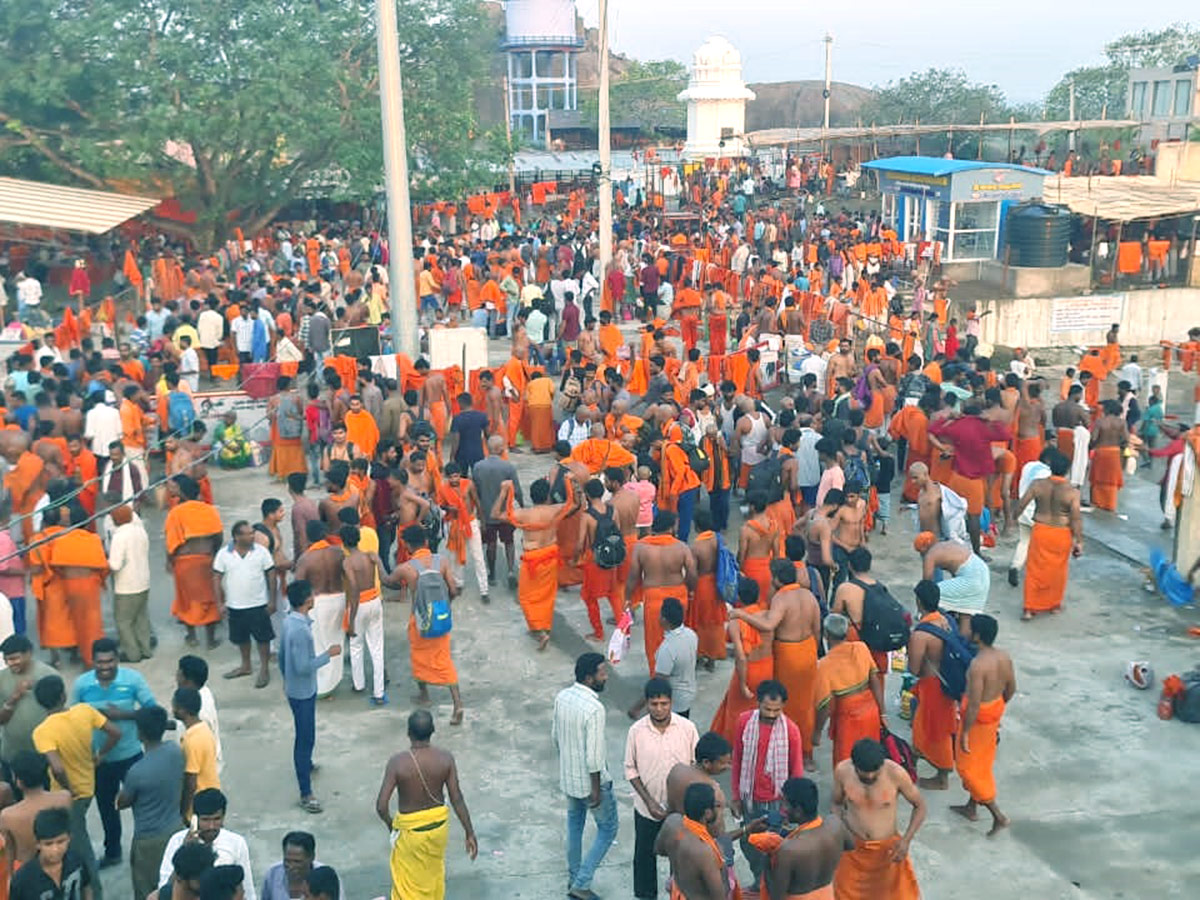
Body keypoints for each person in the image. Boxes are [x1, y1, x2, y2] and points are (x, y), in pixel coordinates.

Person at [70, 638, 158, 868]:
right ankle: (113, 853)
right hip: (100, 760)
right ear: (93, 661)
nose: (105, 666)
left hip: (131, 756)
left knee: (142, 806)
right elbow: (70, 718)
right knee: (107, 810)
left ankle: (146, 851)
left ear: (117, 659)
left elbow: (154, 711)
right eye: (100, 662)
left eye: (110, 661)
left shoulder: (133, 680)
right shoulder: (81, 685)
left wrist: (124, 715)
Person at [32, 674, 121, 898]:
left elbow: (57, 768)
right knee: (72, 841)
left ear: (40, 703)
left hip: (66, 795)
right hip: (87, 786)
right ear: (63, 696)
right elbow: (115, 732)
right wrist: (100, 755)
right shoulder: (84, 711)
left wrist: (67, 790)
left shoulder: (43, 731)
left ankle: (94, 893)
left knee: (79, 847)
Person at [729, 559, 821, 771]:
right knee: (806, 704)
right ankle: (807, 755)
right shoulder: (808, 595)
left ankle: (786, 749)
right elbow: (818, 628)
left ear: (777, 579)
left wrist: (740, 613)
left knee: (784, 703)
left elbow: (769, 624)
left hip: (787, 653)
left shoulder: (781, 597)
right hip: (808, 650)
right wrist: (814, 651)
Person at [375, 710, 477, 900]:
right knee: (432, 875)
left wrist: (392, 826)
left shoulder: (397, 763)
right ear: (432, 731)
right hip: (438, 830)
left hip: (410, 835)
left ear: (408, 733)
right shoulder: (445, 759)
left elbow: (381, 806)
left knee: (408, 886)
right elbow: (457, 798)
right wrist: (469, 832)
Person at [624, 677, 699, 899]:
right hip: (648, 810)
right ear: (647, 703)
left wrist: (682, 801)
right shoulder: (636, 731)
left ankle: (678, 894)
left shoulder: (687, 728)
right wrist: (649, 802)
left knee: (681, 857)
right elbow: (630, 769)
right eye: (654, 704)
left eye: (664, 704)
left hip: (681, 811)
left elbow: (696, 765)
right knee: (645, 856)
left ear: (671, 702)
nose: (659, 709)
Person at [552, 653, 617, 900]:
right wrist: (597, 790)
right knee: (608, 829)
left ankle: (574, 875)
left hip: (569, 779)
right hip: (591, 784)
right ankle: (582, 882)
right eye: (602, 673)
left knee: (574, 826)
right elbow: (595, 757)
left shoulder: (562, 697)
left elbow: (555, 737)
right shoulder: (594, 708)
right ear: (589, 678)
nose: (606, 676)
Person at [730, 680, 805, 887]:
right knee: (748, 843)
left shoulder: (791, 730)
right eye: (767, 709)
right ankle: (760, 880)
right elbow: (737, 759)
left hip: (777, 802)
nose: (771, 715)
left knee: (775, 847)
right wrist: (736, 796)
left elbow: (796, 771)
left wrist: (790, 808)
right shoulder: (744, 722)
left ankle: (772, 885)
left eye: (776, 710)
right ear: (758, 703)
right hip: (749, 798)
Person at [387, 526, 464, 724]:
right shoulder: (442, 562)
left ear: (407, 546)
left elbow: (388, 581)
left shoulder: (406, 568)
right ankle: (457, 705)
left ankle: (424, 695)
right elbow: (454, 591)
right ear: (427, 542)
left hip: (420, 621)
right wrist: (443, 608)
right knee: (444, 660)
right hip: (441, 618)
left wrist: (377, 563)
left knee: (419, 657)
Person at [831, 739, 925, 900]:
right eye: (864, 771)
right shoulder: (842, 771)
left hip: (887, 850)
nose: (870, 775)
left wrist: (906, 840)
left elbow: (920, 806)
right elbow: (836, 804)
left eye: (875, 770)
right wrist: (839, 829)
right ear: (854, 764)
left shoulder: (896, 774)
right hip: (852, 848)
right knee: (845, 894)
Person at [279, 581, 341, 814]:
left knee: (306, 734)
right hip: (302, 690)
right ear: (307, 601)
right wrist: (328, 655)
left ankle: (306, 765)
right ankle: (306, 792)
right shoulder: (300, 630)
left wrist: (286, 680)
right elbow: (304, 666)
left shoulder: (289, 622)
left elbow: (285, 659)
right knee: (305, 738)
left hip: (296, 688)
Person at [951, 614, 1016, 835]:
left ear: (977, 636)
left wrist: (966, 732)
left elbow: (974, 705)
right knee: (982, 762)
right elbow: (1011, 689)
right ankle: (971, 807)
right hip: (993, 712)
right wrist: (997, 707)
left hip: (977, 720)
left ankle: (998, 815)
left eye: (970, 629)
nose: (966, 632)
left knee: (967, 768)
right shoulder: (1004, 657)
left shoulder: (978, 666)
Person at [492, 478, 568, 651]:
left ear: (531, 496)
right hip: (550, 556)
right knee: (547, 595)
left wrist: (504, 491)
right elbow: (578, 504)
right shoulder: (556, 509)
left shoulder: (524, 514)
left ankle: (539, 631)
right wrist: (573, 485)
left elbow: (495, 514)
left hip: (533, 559)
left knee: (526, 598)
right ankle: (544, 626)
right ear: (548, 496)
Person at [117, 707, 184, 900]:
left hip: (148, 840)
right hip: (175, 828)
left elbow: (122, 803)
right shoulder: (175, 751)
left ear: (139, 733)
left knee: (147, 890)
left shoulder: (137, 771)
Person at [748, 777, 851, 900]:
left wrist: (768, 855)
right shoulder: (836, 824)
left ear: (798, 810)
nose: (782, 808)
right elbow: (850, 845)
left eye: (785, 803)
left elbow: (776, 895)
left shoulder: (788, 850)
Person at [1014, 450, 1081, 619]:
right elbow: (1076, 519)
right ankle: (1053, 605)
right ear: (1067, 470)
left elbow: (1021, 504)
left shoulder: (1038, 484)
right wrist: (1078, 541)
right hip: (1061, 534)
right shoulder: (1072, 492)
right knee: (1057, 571)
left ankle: (1029, 608)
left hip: (1041, 530)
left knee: (1035, 569)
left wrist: (1011, 520)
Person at [626, 512, 697, 672]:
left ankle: (657, 675)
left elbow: (633, 577)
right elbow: (692, 573)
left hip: (653, 597)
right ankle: (677, 672)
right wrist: (690, 590)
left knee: (655, 640)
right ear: (671, 527)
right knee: (678, 637)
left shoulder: (641, 547)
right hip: (678, 595)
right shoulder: (681, 547)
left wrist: (628, 599)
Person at [812, 614, 885, 769]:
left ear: (826, 635)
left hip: (848, 719)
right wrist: (882, 712)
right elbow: (875, 681)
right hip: (871, 712)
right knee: (870, 760)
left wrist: (817, 732)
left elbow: (824, 706)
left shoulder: (824, 665)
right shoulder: (861, 647)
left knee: (847, 764)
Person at [708, 577, 774, 747]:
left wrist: (744, 684)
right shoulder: (767, 616)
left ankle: (735, 748)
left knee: (735, 712)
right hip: (767, 668)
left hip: (748, 671)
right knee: (761, 710)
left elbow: (741, 656)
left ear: (739, 598)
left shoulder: (737, 622)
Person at [905, 580, 958, 791]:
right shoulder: (947, 620)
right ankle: (917, 756)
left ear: (919, 602)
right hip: (947, 681)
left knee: (938, 731)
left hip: (933, 686)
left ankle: (943, 776)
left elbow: (914, 669)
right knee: (925, 725)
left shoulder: (921, 634)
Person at [156, 789, 255, 900]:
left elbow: (247, 888)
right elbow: (165, 887)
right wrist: (186, 852)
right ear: (195, 818)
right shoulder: (177, 841)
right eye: (205, 820)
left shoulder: (236, 843)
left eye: (217, 819)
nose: (211, 826)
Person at [213, 521, 276, 688]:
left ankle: (264, 669)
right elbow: (217, 578)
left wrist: (272, 600)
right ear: (237, 536)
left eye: (252, 532)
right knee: (241, 638)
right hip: (235, 604)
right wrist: (219, 603)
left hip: (258, 603)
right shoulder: (223, 554)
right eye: (248, 533)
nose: (252, 535)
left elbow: (271, 574)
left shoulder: (261, 552)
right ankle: (246, 665)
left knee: (263, 638)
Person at [164, 475, 223, 649]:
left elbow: (171, 543)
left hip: (184, 562)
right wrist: (214, 555)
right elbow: (218, 536)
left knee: (186, 600)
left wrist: (169, 561)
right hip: (206, 558)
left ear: (181, 491)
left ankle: (191, 637)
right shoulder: (209, 510)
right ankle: (211, 640)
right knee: (210, 598)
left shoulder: (176, 513)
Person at [0, 751, 71, 872]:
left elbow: (10, 850)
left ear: (18, 781)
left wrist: (11, 876)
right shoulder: (64, 798)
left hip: (27, 869)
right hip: (61, 863)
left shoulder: (8, 816)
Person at [653, 784, 726, 900]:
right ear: (707, 813)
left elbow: (658, 849)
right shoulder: (705, 851)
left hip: (679, 890)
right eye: (715, 806)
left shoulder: (672, 821)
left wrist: (679, 856)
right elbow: (719, 896)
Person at [472, 435, 523, 588]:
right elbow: (518, 490)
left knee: (491, 543)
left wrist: (477, 511)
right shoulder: (508, 467)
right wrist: (522, 506)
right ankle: (510, 571)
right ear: (500, 449)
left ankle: (492, 574)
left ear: (487, 448)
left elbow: (475, 491)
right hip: (505, 513)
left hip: (487, 512)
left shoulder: (478, 467)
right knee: (509, 542)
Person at [0, 635, 57, 773]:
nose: (10, 663)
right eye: (6, 660)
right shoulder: (1, 678)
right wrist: (14, 698)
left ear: (29, 653)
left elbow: (58, 717)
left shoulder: (49, 676)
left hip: (45, 756)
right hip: (12, 754)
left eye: (14, 658)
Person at [8, 808, 91, 900]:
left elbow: (86, 887)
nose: (55, 849)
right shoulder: (22, 880)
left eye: (60, 842)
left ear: (69, 838)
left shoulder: (77, 861)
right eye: (48, 844)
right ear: (38, 844)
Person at [107, 504, 152, 662]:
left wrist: (104, 559)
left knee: (124, 622)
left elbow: (115, 564)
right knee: (141, 618)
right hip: (143, 581)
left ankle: (132, 654)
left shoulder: (119, 536)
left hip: (126, 586)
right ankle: (146, 649)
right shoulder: (140, 531)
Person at [174, 686, 218, 821]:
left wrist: (184, 811)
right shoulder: (203, 729)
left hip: (199, 803)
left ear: (182, 710)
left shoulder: (191, 741)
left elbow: (191, 781)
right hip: (211, 792)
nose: (173, 710)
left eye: (174, 706)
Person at [651, 599, 698, 720]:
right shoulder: (691, 634)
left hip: (675, 700)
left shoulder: (667, 648)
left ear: (664, 620)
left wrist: (638, 706)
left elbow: (659, 682)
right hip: (689, 692)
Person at [176, 656, 223, 774]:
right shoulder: (203, 691)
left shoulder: (199, 712)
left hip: (202, 772)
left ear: (188, 680)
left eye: (179, 674)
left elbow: (196, 754)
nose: (176, 677)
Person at [259, 832, 340, 900]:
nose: (291, 867)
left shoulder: (326, 878)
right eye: (287, 861)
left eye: (297, 862)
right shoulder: (272, 875)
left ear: (311, 857)